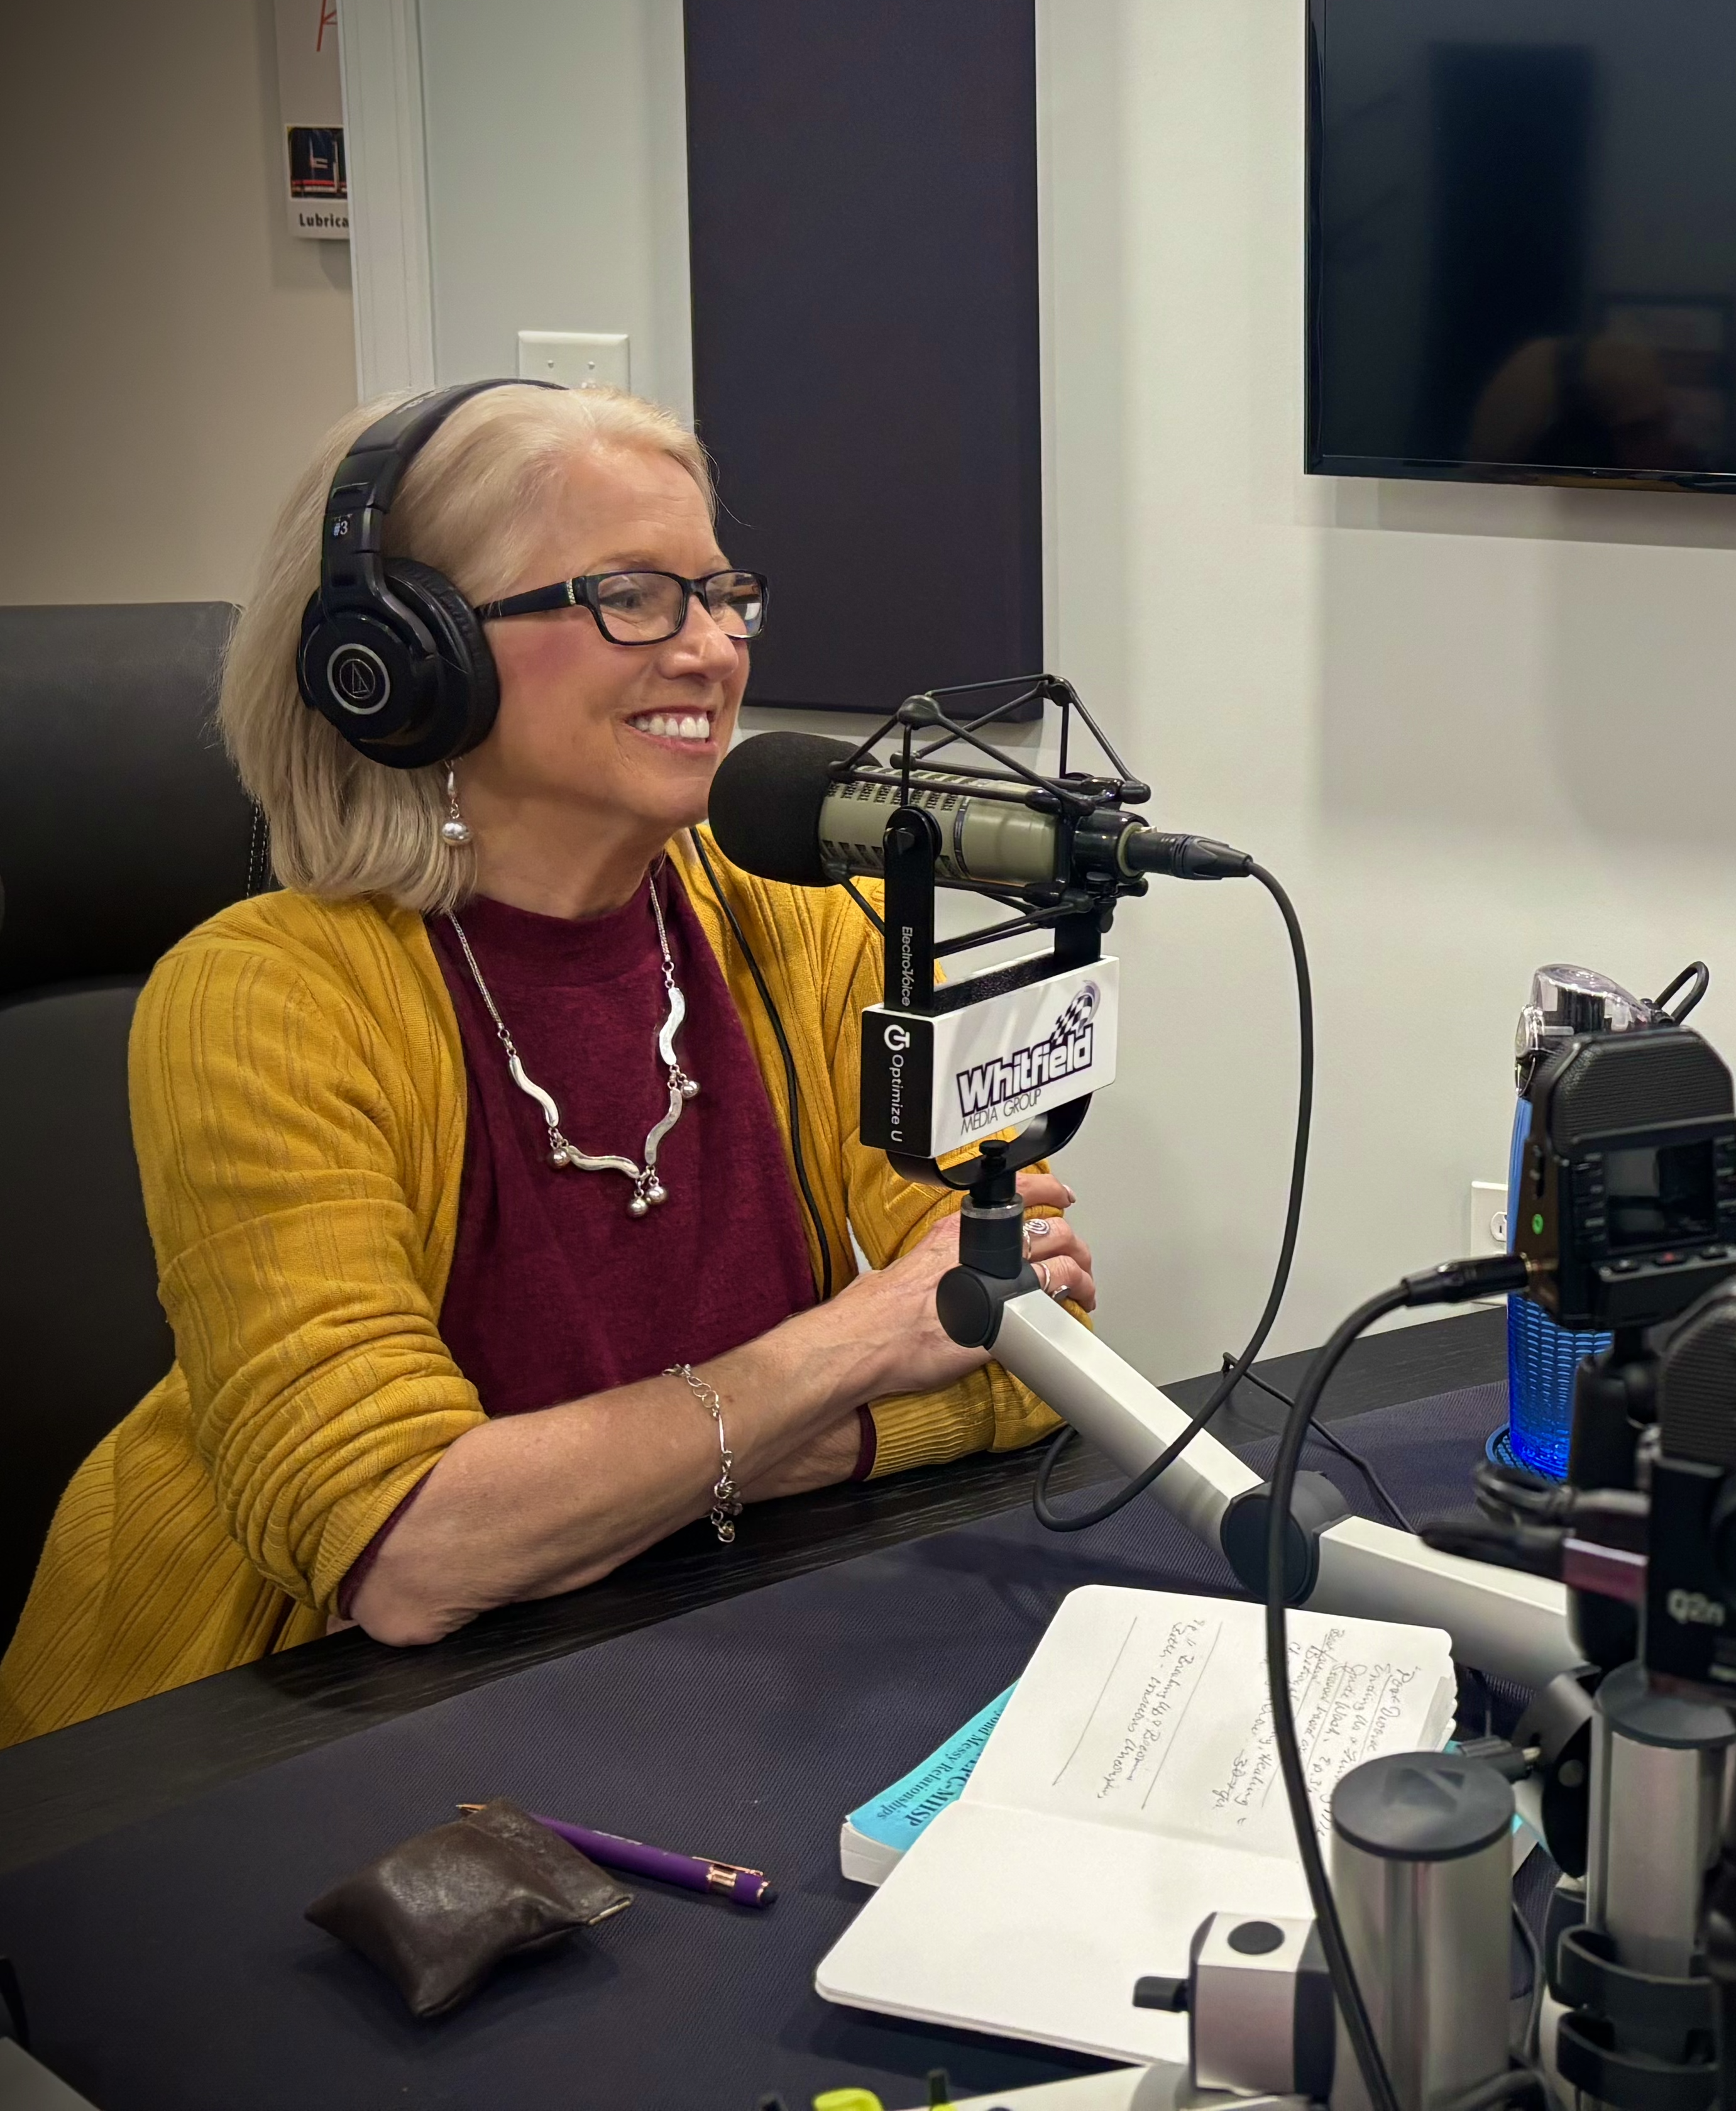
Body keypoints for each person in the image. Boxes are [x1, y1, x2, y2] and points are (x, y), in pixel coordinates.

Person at [0, 383, 1095, 1746]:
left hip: (679, 1642)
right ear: (407, 658)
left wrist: (614, 1481)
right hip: (256, 1731)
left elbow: (1032, 1340)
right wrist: (853, 1349)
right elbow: (409, 1554)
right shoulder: (263, 997)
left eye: (722, 593)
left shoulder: (807, 925)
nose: (709, 649)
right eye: (633, 596)